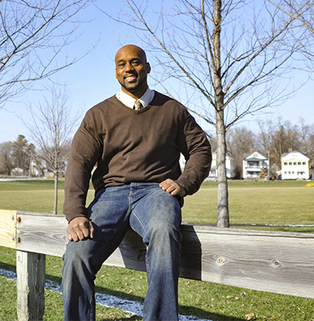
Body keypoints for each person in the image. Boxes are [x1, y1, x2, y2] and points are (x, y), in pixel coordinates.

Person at [62, 44, 212, 321]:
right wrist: (75, 214)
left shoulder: (172, 110)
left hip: (156, 192)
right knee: (76, 255)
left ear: (147, 67)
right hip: (110, 194)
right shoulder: (98, 115)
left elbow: (200, 149)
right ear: (116, 71)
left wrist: (184, 182)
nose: (129, 69)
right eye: (122, 64)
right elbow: (79, 163)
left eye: (135, 62)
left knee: (164, 233)